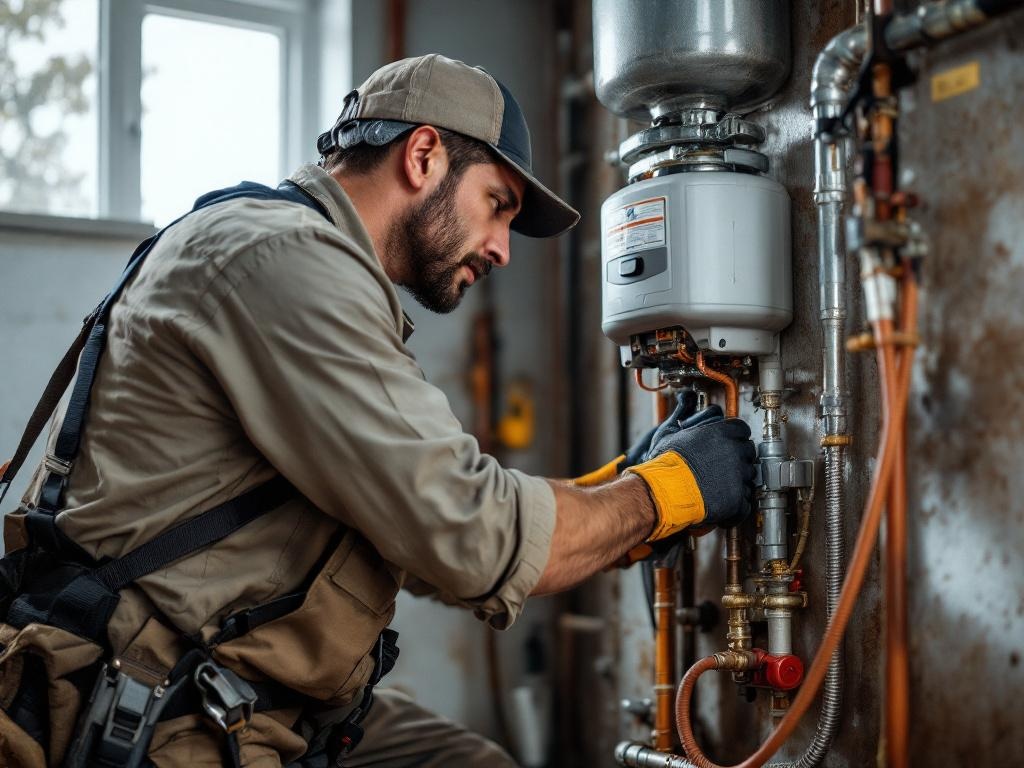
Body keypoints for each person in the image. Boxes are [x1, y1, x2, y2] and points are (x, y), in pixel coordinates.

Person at [1, 55, 755, 767]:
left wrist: (617, 489)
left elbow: (412, 525)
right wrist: (668, 492)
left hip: (240, 688)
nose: (501, 249)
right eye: (496, 205)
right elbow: (469, 533)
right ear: (423, 156)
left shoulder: (298, 259)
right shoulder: (283, 262)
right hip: (149, 702)